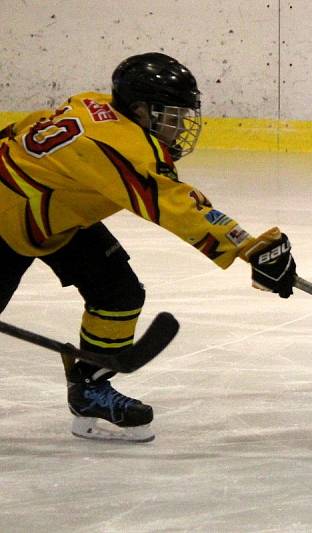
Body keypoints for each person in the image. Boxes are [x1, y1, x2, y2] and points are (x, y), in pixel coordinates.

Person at [0, 52, 296, 442]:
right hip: (9, 220)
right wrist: (250, 248)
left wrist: (250, 249)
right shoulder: (121, 147)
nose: (179, 128)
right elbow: (176, 206)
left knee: (118, 294)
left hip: (51, 214)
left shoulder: (94, 105)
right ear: (140, 110)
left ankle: (91, 389)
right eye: (171, 116)